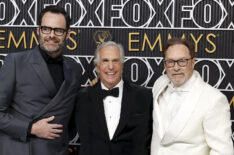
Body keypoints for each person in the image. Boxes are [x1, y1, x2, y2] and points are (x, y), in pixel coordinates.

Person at [0, 5, 82, 155]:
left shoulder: (75, 69)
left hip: (57, 150)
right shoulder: (16, 62)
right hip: (21, 149)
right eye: (46, 29)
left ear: (68, 34)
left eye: (58, 30)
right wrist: (31, 128)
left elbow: (73, 113)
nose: (51, 35)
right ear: (38, 30)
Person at [151, 38, 234, 155]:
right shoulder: (159, 84)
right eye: (170, 62)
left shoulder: (214, 99)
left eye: (182, 61)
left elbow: (223, 151)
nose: (176, 67)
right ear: (165, 64)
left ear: (193, 62)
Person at [75, 41, 152, 155]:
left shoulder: (144, 96)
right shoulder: (81, 98)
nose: (111, 67)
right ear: (97, 66)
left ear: (122, 65)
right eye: (105, 60)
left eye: (115, 61)